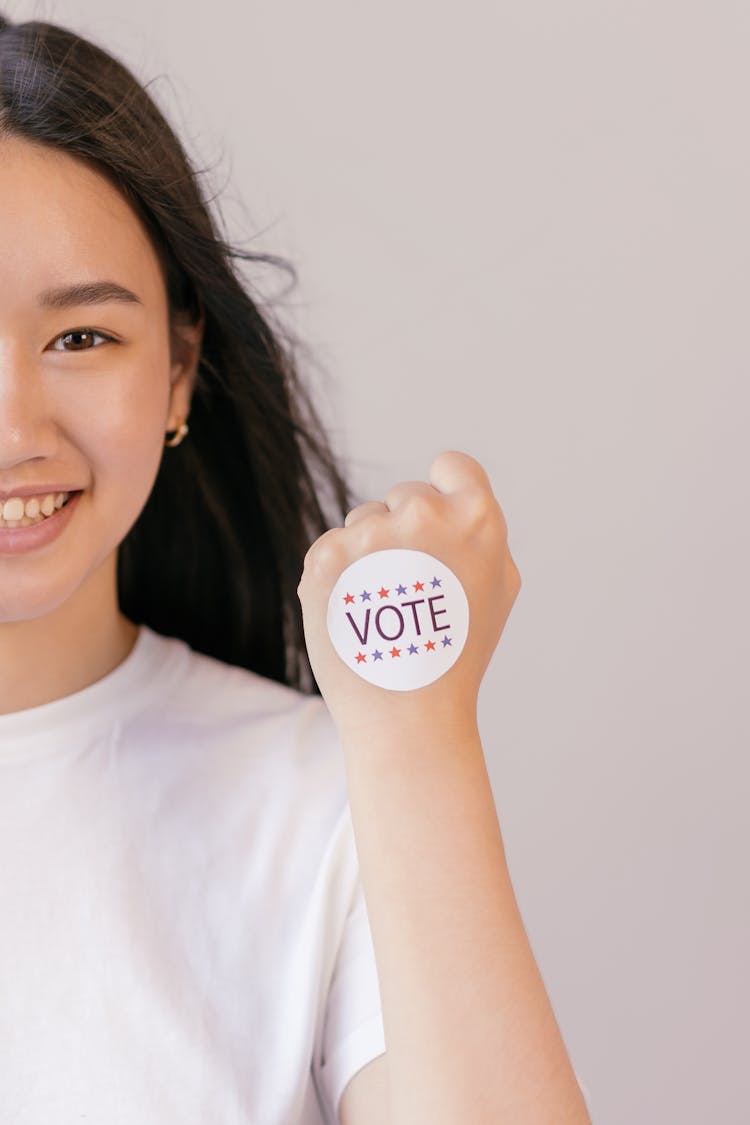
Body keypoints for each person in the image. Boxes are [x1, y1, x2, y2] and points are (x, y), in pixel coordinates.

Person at [0, 13, 592, 1125]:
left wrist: (414, 728)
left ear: (180, 372)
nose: (14, 427)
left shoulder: (328, 804)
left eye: (82, 338)